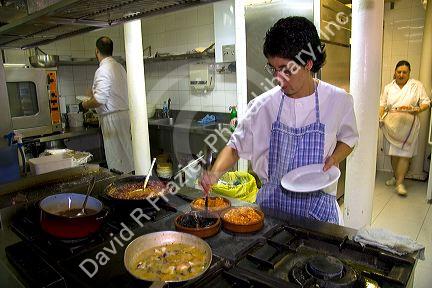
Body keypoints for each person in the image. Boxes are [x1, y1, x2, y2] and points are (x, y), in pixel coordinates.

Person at [201, 16, 358, 225]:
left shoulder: (338, 100)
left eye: (285, 69)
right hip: (271, 210)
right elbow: (236, 147)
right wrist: (214, 174)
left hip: (318, 211)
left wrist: (334, 157)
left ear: (308, 63)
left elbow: (349, 138)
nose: (277, 77)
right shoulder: (262, 106)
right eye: (273, 69)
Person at [80, 36, 134, 173]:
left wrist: (85, 105)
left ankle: (121, 189)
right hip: (124, 115)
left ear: (96, 51)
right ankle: (132, 185)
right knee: (127, 155)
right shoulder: (120, 67)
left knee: (117, 159)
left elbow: (100, 100)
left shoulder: (103, 70)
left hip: (112, 119)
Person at [379, 60, 430, 196]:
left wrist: (417, 109)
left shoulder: (416, 86)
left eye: (404, 72)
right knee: (394, 154)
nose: (401, 75)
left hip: (409, 126)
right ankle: (396, 177)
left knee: (405, 155)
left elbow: (426, 102)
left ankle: (400, 183)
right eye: (399, 72)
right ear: (394, 73)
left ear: (409, 73)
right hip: (391, 125)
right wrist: (380, 117)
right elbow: (382, 104)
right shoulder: (388, 87)